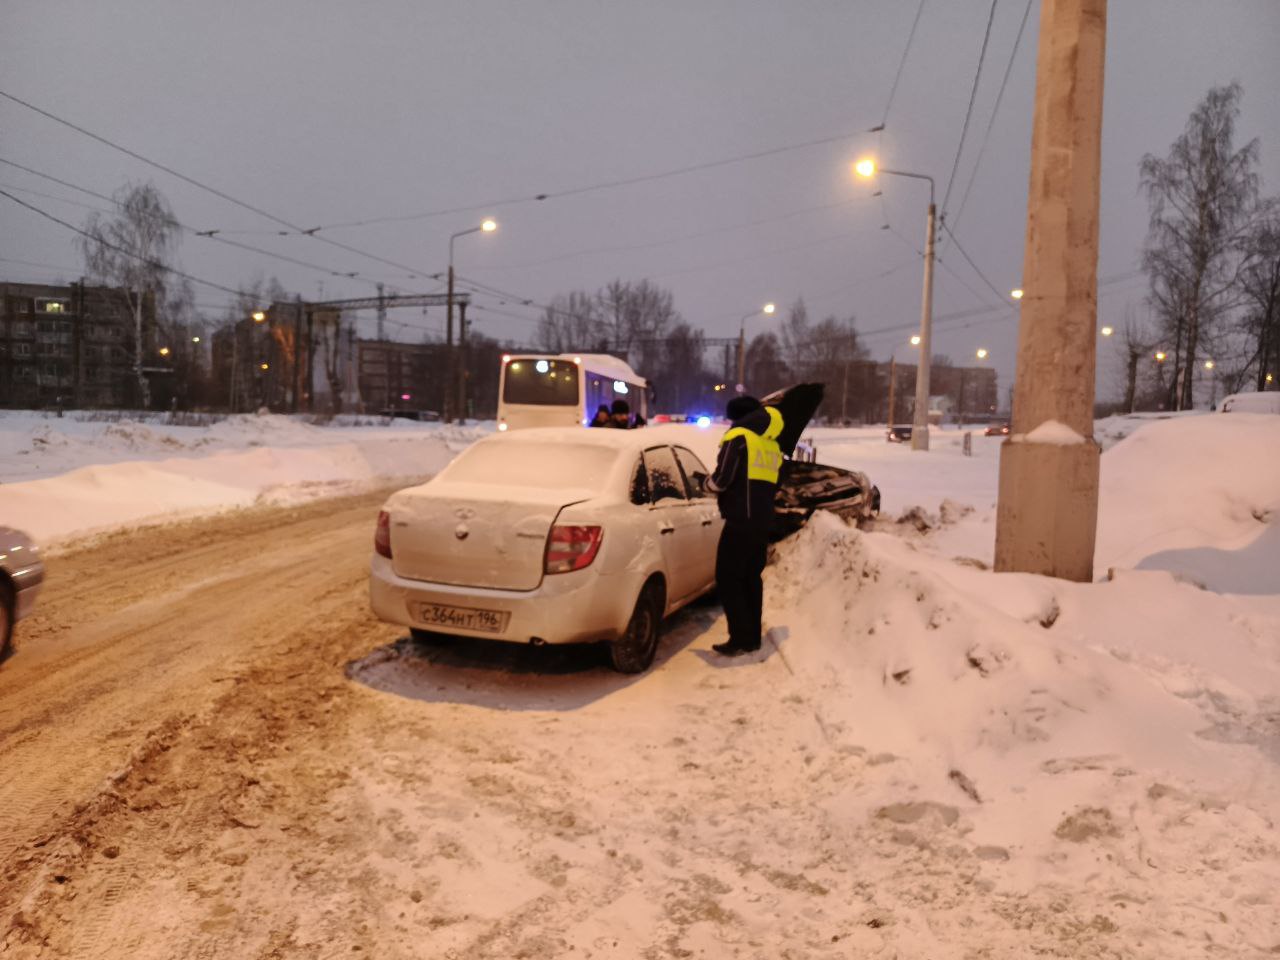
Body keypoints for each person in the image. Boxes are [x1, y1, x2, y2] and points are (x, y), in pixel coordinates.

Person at [704, 395, 784, 656]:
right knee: (751, 578)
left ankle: (739, 638)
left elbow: (722, 479)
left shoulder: (738, 437)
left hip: (739, 520)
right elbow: (776, 484)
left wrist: (705, 484)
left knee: (727, 578)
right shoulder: (771, 444)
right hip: (762, 521)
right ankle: (751, 638)